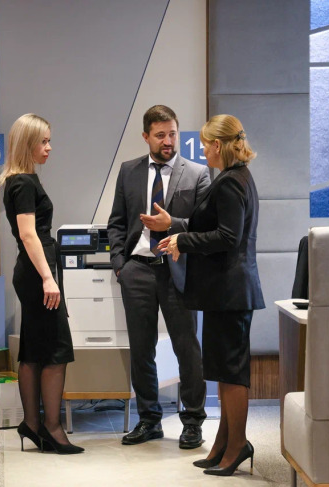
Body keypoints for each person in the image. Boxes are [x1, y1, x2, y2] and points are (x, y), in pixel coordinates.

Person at [159, 114, 265, 476]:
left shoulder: (231, 182)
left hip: (231, 292)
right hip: (227, 292)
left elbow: (228, 237)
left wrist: (183, 240)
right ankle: (223, 445)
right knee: (223, 370)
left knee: (232, 374)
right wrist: (179, 231)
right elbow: (215, 226)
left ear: (218, 145)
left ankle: (237, 446)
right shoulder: (236, 178)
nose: (202, 150)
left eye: (205, 144)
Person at [107, 105, 209, 449]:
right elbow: (116, 222)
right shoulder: (128, 171)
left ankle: (192, 421)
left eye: (172, 134)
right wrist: (120, 264)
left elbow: (206, 226)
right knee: (141, 349)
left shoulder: (197, 173)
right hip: (136, 270)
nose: (168, 141)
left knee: (187, 349)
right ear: (146, 136)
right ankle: (149, 420)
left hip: (178, 269)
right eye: (161, 135)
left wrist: (173, 225)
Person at [0, 113, 83, 454]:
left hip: (34, 272)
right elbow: (28, 234)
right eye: (44, 141)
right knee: (56, 350)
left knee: (34, 349)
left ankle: (32, 425)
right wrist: (49, 278)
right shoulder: (23, 183)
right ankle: (52, 428)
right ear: (27, 143)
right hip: (37, 274)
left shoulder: (21, 180)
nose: (49, 147)